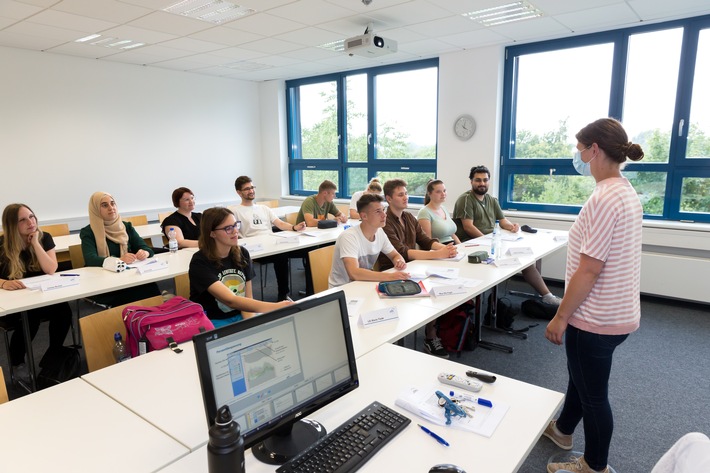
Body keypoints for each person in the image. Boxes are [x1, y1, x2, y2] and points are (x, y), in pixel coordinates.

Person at [543, 118, 645, 473]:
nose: (578, 155)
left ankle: (594, 466)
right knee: (581, 376)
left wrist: (560, 316)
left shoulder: (603, 198)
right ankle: (563, 430)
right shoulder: (624, 190)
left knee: (594, 396)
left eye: (580, 148)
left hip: (597, 317)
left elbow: (589, 269)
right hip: (618, 313)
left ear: (594, 150)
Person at [453, 165, 561, 305]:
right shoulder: (466, 199)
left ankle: (547, 296)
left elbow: (502, 220)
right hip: (473, 243)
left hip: (491, 242)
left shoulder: (491, 200)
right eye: (478, 180)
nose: (482, 183)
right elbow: (468, 227)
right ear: (471, 181)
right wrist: (488, 240)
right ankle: (482, 302)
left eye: (485, 180)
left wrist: (511, 226)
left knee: (524, 260)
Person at [377, 179, 458, 358]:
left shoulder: (408, 217)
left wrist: (445, 249)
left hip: (410, 268)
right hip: (391, 271)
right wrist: (438, 254)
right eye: (400, 194)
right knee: (430, 289)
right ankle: (421, 338)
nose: (406, 197)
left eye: (406, 193)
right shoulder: (385, 221)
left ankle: (431, 336)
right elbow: (402, 252)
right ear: (389, 199)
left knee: (439, 285)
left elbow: (425, 240)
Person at [0, 203, 72, 384]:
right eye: (22, 220)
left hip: (40, 295)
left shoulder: (44, 237)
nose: (30, 222)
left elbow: (51, 269)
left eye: (32, 217)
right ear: (11, 225)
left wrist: (35, 243)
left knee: (63, 311)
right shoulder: (2, 244)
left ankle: (53, 356)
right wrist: (4, 283)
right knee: (29, 318)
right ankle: (17, 363)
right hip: (13, 300)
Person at [189, 207, 292, 327]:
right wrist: (276, 307)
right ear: (212, 233)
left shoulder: (242, 253)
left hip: (240, 316)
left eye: (235, 225)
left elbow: (247, 299)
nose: (235, 231)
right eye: (228, 228)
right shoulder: (200, 262)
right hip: (212, 320)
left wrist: (251, 325)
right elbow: (230, 300)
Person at [228, 176, 306, 301]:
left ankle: (305, 291)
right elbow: (234, 231)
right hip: (253, 250)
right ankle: (283, 295)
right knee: (281, 257)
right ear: (239, 192)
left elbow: (280, 224)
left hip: (271, 244)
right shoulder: (234, 211)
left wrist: (294, 227)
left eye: (252, 187)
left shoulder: (264, 208)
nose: (251, 191)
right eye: (247, 189)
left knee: (303, 252)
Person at [80, 192, 160, 306]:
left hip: (127, 276)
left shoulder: (126, 226)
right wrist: (119, 260)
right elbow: (90, 259)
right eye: (104, 205)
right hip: (103, 282)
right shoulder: (88, 232)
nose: (111, 208)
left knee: (151, 287)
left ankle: (155, 319)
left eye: (112, 204)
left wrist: (145, 252)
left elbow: (145, 247)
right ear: (96, 210)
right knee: (136, 294)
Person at [328, 194, 409, 288]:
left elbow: (395, 255)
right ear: (364, 216)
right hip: (343, 289)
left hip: (364, 284)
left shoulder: (379, 232)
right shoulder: (349, 237)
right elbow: (354, 273)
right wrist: (389, 276)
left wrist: (399, 261)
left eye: (383, 210)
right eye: (378, 212)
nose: (384, 215)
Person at [418, 179, 461, 245]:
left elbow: (452, 235)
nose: (443, 194)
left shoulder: (444, 209)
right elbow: (427, 242)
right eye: (438, 192)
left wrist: (461, 246)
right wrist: (445, 250)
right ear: (429, 194)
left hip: (452, 247)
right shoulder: (424, 212)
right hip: (439, 248)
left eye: (444, 191)